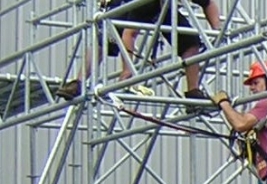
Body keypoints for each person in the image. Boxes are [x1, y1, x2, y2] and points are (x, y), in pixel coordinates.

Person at [57, 0, 220, 107]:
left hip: (160, 7)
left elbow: (208, 3)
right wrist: (128, 73)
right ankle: (78, 82)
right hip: (121, 5)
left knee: (190, 42)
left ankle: (193, 92)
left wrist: (218, 32)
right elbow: (130, 32)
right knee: (105, 41)